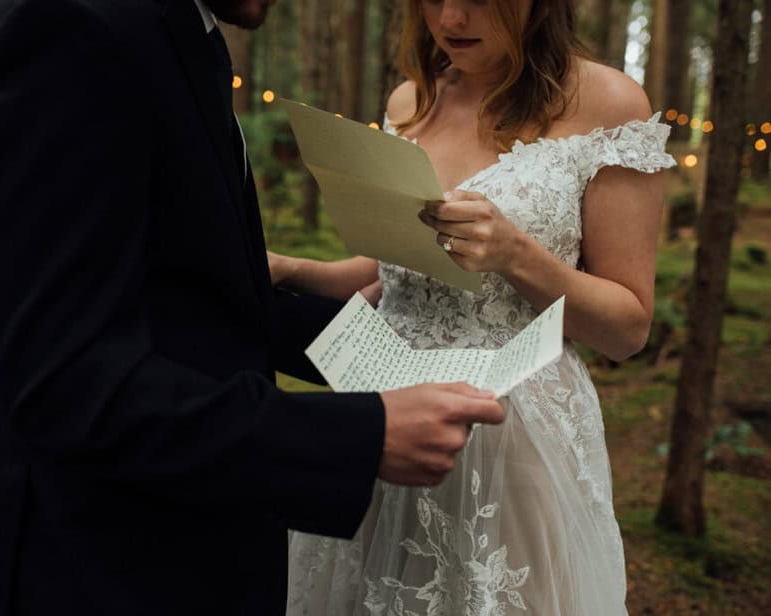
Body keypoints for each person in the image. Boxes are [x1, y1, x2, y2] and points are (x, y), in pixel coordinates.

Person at [0, 0, 506, 614]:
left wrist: (393, 351)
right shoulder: (65, 31)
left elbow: (195, 301)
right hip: (111, 569)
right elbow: (70, 383)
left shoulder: (179, 32)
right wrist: (360, 438)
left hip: (204, 545)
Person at [277, 0, 676, 613]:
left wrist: (517, 253)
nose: (451, 19)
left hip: (510, 434)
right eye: (432, 0)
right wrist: (290, 269)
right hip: (385, 414)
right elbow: (396, 264)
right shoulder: (410, 102)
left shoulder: (610, 105)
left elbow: (628, 328)